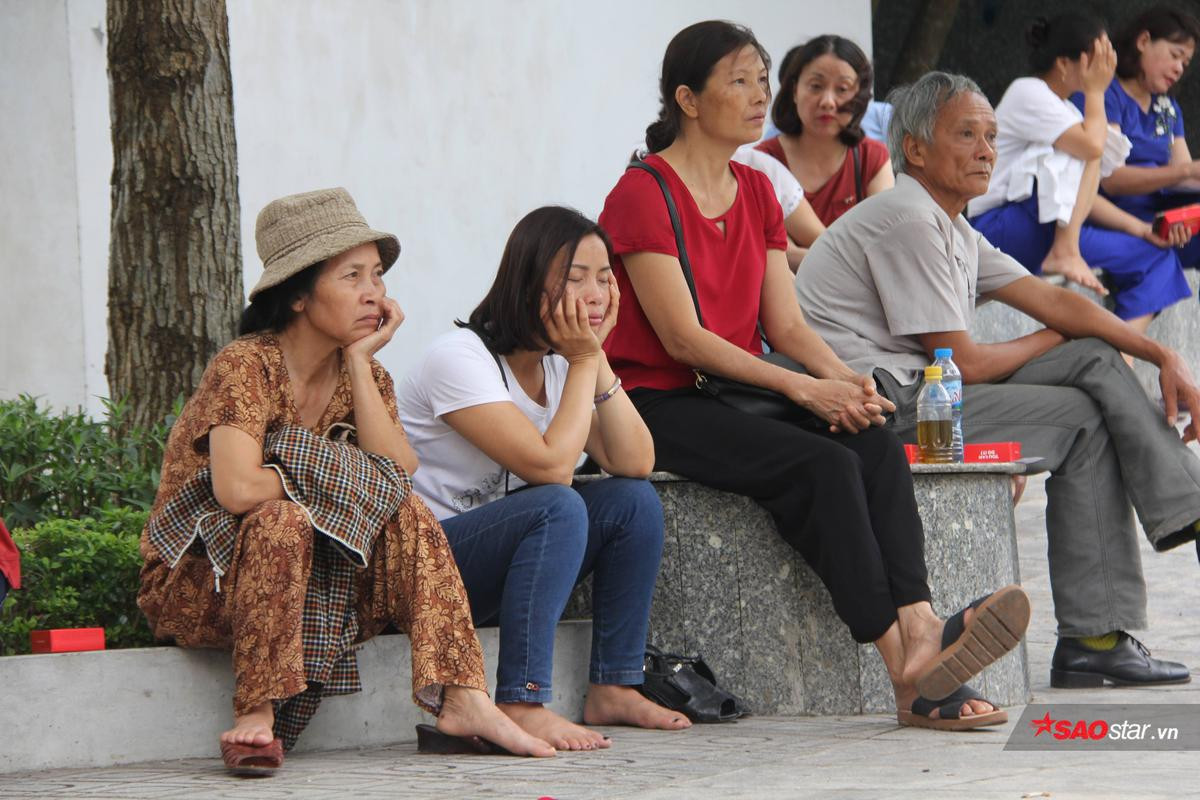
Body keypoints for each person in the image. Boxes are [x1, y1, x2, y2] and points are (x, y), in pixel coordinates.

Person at [598, 20, 1030, 731]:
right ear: (688, 99)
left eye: (761, 81)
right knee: (822, 466)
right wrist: (802, 387)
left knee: (872, 440)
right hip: (656, 402)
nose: (758, 95)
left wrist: (846, 381)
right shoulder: (643, 193)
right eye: (739, 81)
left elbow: (790, 327)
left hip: (738, 390)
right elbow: (685, 339)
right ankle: (906, 673)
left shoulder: (759, 191)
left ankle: (922, 627)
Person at [795, 71, 1199, 690]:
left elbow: (1050, 300)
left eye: (992, 136)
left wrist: (1159, 354)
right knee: (1086, 401)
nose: (987, 151)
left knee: (1093, 358)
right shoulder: (909, 217)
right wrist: (1069, 336)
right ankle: (1102, 628)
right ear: (917, 150)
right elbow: (968, 363)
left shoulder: (952, 224)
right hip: (880, 409)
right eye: (967, 134)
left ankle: (1120, 607)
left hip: (924, 391)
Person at [138, 188, 555, 773]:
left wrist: (359, 363)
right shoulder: (245, 365)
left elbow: (396, 477)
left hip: (316, 582)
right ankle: (256, 712)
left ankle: (463, 697)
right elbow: (235, 490)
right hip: (204, 582)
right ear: (301, 295)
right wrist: (329, 482)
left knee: (404, 511)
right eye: (351, 276)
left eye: (378, 276)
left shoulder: (366, 376)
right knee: (280, 518)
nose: (374, 293)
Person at [398, 205, 688, 751]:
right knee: (559, 503)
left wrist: (593, 359)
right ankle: (522, 698)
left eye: (605, 279)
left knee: (632, 502)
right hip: (430, 570)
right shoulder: (458, 359)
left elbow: (635, 461)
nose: (596, 294)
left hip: (502, 564)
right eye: (575, 278)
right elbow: (552, 467)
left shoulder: (561, 365)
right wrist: (583, 360)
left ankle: (614, 684)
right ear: (528, 280)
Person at [969, 12, 1191, 342]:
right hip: (999, 227)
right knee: (1090, 148)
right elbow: (1092, 146)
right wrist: (1097, 92)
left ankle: (1121, 361)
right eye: (1097, 60)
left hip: (1043, 227)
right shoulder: (1027, 91)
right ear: (1064, 63)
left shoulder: (1070, 112)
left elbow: (1087, 185)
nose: (1106, 69)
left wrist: (1142, 229)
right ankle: (1066, 250)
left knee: (1155, 255)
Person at [1078, 5, 1200, 271]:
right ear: (1144, 41)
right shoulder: (1105, 92)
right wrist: (1187, 170)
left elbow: (1186, 176)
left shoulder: (1168, 108)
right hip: (1110, 214)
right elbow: (1112, 179)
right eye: (1175, 55)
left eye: (1186, 63)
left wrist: (1190, 173)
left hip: (1158, 212)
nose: (1179, 68)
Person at [756, 36, 894, 228]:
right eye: (816, 86)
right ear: (795, 90)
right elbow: (764, 246)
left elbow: (883, 237)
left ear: (860, 97)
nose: (828, 101)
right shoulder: (761, 162)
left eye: (842, 89)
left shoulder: (871, 158)